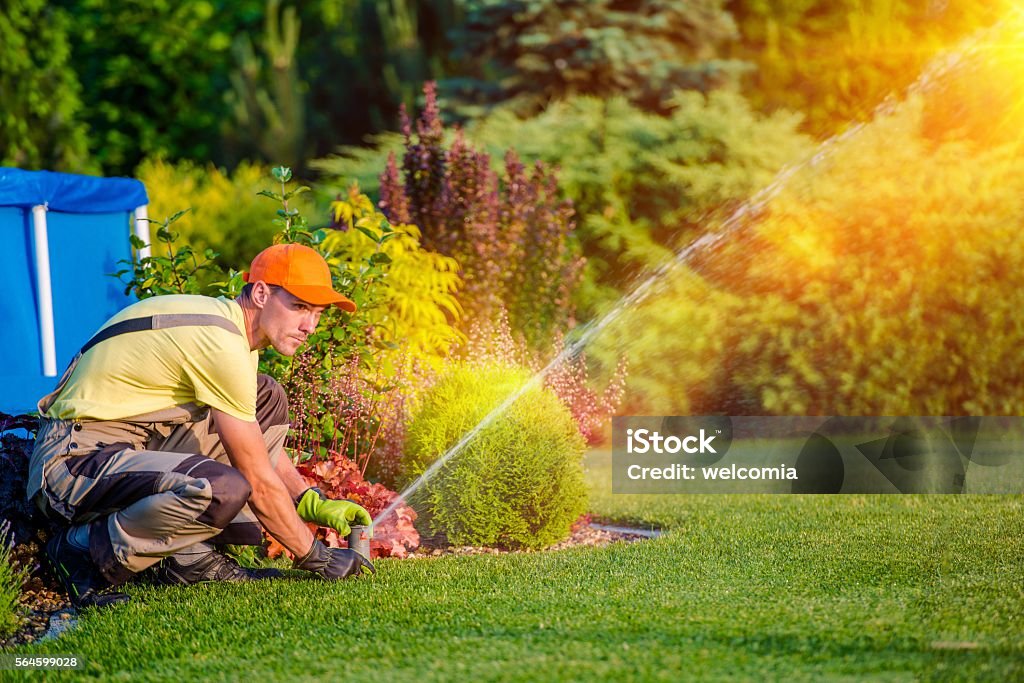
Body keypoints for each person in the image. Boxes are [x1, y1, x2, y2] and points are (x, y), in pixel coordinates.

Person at [27, 243, 375, 609]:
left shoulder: (231, 334)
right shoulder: (220, 342)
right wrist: (315, 556)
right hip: (72, 465)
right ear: (260, 293)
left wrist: (307, 500)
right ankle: (81, 551)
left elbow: (255, 447)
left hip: (125, 450)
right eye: (300, 307)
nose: (310, 326)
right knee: (221, 490)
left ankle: (188, 560)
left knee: (266, 397)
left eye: (317, 313)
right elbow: (255, 478)